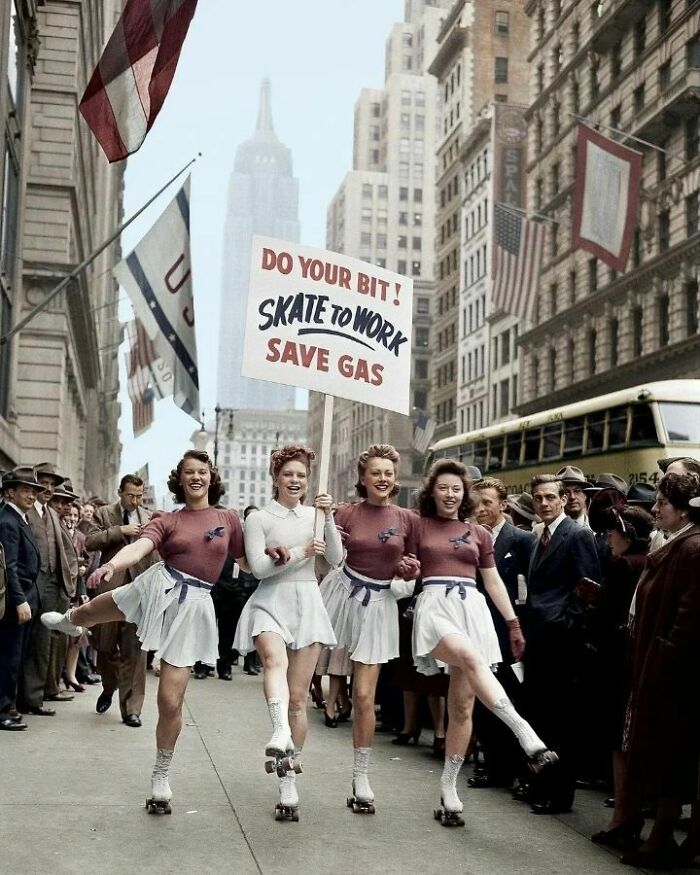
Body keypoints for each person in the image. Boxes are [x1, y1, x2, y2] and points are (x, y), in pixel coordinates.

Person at [41, 450, 246, 813]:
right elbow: (140, 547)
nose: (196, 477)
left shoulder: (228, 518)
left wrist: (282, 554)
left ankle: (160, 775)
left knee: (169, 701)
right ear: (180, 480)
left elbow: (249, 562)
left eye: (202, 471)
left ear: (211, 477)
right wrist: (112, 566)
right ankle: (69, 619)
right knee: (96, 608)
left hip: (194, 607)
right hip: (157, 586)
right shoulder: (167, 518)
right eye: (188, 472)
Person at [408, 460, 557, 826]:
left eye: (456, 488)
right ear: (432, 492)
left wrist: (513, 624)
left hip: (472, 609)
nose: (450, 494)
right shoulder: (419, 525)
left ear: (465, 494)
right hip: (435, 607)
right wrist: (404, 570)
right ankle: (526, 734)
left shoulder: (479, 534)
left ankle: (448, 788)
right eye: (443, 487)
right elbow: (403, 562)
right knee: (471, 658)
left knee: (462, 708)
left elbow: (493, 583)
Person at [233, 444, 341, 819]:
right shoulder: (259, 518)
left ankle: (288, 778)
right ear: (275, 478)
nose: (295, 480)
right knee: (272, 660)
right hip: (271, 601)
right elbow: (260, 569)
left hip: (307, 603)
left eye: (301, 475)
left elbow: (337, 559)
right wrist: (299, 551)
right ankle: (278, 732)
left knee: (298, 700)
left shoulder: (315, 514)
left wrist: (327, 518)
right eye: (288, 474)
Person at [319, 444, 418, 812]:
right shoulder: (345, 512)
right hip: (342, 596)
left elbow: (412, 567)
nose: (382, 478)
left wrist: (405, 579)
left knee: (363, 696)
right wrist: (328, 518)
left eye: (388, 473)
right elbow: (332, 559)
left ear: (395, 479)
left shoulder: (407, 518)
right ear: (363, 478)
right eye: (375, 472)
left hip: (379, 606)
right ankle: (288, 766)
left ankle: (360, 777)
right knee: (302, 679)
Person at [618, 473, 700, 869]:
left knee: (671, 759)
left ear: (683, 508)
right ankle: (662, 838)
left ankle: (662, 839)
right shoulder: (679, 543)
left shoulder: (693, 548)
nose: (654, 509)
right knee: (665, 757)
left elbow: (688, 619)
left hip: (674, 677)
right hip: (660, 666)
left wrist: (662, 659)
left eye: (662, 503)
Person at [522, 474, 601, 814]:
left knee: (561, 719)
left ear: (564, 498)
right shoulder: (539, 535)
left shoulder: (577, 534)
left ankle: (560, 794)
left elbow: (589, 586)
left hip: (561, 641)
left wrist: (566, 622)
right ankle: (541, 784)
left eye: (550, 497)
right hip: (539, 638)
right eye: (538, 498)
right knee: (540, 713)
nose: (544, 504)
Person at [589, 505, 653, 851]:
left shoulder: (622, 565)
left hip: (617, 661)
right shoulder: (648, 561)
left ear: (626, 534)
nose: (608, 537)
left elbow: (606, 615)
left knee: (619, 741)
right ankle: (630, 813)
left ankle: (623, 818)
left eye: (612, 531)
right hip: (633, 659)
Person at [469, 477, 536, 789]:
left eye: (487, 503)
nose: (481, 509)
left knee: (512, 698)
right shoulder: (467, 537)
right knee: (482, 699)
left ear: (503, 505)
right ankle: (493, 767)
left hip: (507, 633)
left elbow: (526, 588)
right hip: (476, 629)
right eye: (477, 503)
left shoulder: (521, 540)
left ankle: (516, 767)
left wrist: (518, 628)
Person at [85, 474, 157, 728]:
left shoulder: (150, 518)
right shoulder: (104, 513)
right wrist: (119, 531)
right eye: (130, 495)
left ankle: (132, 709)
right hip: (110, 593)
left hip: (139, 594)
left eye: (139, 496)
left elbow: (157, 555)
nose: (135, 501)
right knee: (104, 646)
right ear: (120, 492)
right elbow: (90, 541)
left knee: (135, 651)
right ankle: (109, 686)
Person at [20, 462, 77, 716]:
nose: (47, 488)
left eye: (52, 484)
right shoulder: (26, 511)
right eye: (43, 483)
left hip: (53, 587)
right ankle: (25, 698)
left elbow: (65, 553)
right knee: (26, 644)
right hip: (31, 585)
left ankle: (34, 698)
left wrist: (68, 585)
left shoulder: (52, 514)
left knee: (43, 643)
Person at [0, 468, 41, 731]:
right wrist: (19, 600)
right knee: (8, 657)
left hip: (26, 596)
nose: (31, 495)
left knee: (15, 657)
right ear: (9, 492)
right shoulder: (7, 520)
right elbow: (9, 567)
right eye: (25, 489)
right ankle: (3, 709)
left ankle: (8, 705)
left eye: (33, 491)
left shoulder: (19, 518)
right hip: (16, 600)